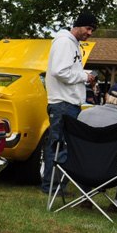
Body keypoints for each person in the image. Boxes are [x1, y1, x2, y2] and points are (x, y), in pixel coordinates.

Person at [40, 11, 98, 194]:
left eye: (92, 30)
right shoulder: (64, 42)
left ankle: (55, 185)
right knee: (59, 145)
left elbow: (67, 70)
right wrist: (84, 76)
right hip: (62, 103)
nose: (89, 33)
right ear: (79, 25)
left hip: (68, 103)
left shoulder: (73, 44)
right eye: (88, 28)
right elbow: (59, 71)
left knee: (61, 145)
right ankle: (52, 186)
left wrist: (85, 76)